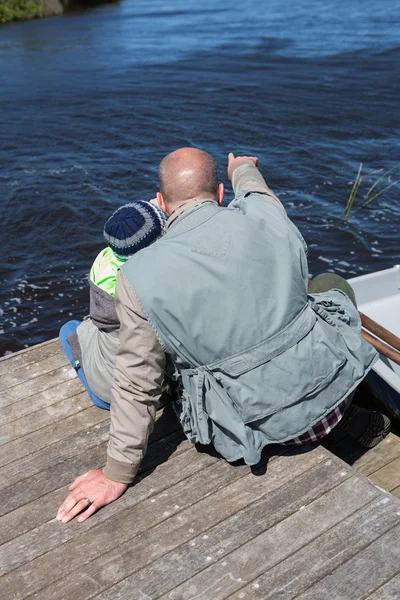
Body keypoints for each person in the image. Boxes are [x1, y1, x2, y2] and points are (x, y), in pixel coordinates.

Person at [57, 148, 388, 524]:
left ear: (162, 204)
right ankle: (356, 417)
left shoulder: (138, 276)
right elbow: (255, 192)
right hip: (334, 402)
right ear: (218, 193)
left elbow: (137, 382)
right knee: (330, 285)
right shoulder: (267, 215)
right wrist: (242, 167)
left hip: (251, 435)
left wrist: (115, 474)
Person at [59, 200, 166, 409]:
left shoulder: (102, 261)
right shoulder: (156, 280)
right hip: (158, 395)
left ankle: (86, 369)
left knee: (69, 330)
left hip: (107, 395)